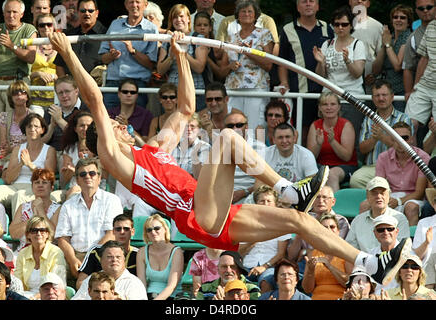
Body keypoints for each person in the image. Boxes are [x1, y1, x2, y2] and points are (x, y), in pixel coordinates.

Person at [51, 30, 414, 288]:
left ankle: (367, 264)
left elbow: (188, 107)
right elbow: (96, 100)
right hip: (198, 215)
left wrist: (179, 54)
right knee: (225, 137)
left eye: (120, 122)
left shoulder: (154, 149)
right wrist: (67, 52)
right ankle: (287, 188)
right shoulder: (115, 160)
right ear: (106, 136)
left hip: (217, 214)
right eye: (115, 124)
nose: (120, 123)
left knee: (298, 220)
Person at [55, 157, 123, 283]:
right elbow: (62, 238)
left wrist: (90, 259)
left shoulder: (112, 200)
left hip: (102, 254)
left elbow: (111, 233)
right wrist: (72, 260)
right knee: (54, 275)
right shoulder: (68, 205)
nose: (88, 177)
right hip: (75, 255)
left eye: (92, 173)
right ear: (77, 180)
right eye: (83, 174)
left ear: (99, 177)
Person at [277, 0, 334, 145]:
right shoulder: (287, 29)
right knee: (303, 130)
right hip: (300, 90)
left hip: (325, 90)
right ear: (297, 7)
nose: (308, 4)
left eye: (312, 1)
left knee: (327, 129)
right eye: (303, 1)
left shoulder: (328, 28)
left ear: (318, 6)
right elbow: (282, 61)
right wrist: (284, 82)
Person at [0, 0, 37, 149]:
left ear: (21, 14)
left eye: (15, 12)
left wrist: (11, 45)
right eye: (8, 12)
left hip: (17, 82)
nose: (11, 15)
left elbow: (31, 57)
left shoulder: (29, 29)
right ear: (3, 13)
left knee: (15, 123)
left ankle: (14, 159)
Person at [313, 5, 366, 140]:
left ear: (351, 25)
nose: (340, 28)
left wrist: (347, 61)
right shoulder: (327, 44)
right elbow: (320, 76)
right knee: (327, 138)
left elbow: (358, 73)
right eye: (336, 24)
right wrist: (320, 62)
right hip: (329, 99)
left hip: (351, 98)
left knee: (349, 139)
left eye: (344, 24)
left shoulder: (358, 44)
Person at [0, 113, 57, 217]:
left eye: (36, 126)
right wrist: (21, 164)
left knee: (19, 196)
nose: (32, 129)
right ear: (24, 129)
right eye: (29, 126)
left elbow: (49, 178)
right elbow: (8, 179)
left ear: (42, 130)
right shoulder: (18, 149)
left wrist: (30, 164)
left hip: (35, 187)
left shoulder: (49, 150)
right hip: (15, 186)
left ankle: (19, 231)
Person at [220, 0, 274, 129]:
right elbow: (222, 69)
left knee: (255, 128)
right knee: (233, 126)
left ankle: (256, 149)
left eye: (250, 11)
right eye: (243, 11)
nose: (246, 14)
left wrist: (248, 52)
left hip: (256, 87)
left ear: (256, 15)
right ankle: (233, 149)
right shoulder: (231, 38)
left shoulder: (264, 34)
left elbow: (269, 65)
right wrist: (229, 67)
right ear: (238, 15)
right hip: (233, 88)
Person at [350, 79, 413, 189]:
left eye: (384, 95)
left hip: (398, 167)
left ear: (392, 96)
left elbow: (406, 148)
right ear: (373, 99)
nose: (381, 98)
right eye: (377, 95)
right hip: (372, 167)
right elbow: (362, 149)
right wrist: (374, 139)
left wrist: (382, 137)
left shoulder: (403, 118)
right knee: (355, 180)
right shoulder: (368, 119)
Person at [99, 0, 158, 110]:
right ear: (126, 5)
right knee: (108, 122)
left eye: (137, 2)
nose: (134, 5)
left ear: (145, 5)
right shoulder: (114, 24)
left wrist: (132, 51)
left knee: (135, 124)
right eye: (131, 2)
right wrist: (111, 55)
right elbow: (103, 58)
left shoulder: (151, 29)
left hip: (137, 84)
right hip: (113, 83)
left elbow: (151, 64)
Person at [372, 122, 429, 225]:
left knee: (411, 207)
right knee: (366, 205)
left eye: (405, 137)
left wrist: (398, 201)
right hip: (391, 195)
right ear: (391, 140)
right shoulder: (383, 157)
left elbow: (419, 193)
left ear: (411, 139)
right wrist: (386, 199)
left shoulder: (422, 157)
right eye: (396, 137)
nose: (401, 141)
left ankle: (411, 239)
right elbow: (379, 186)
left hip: (413, 198)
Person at [157, 4, 208, 112]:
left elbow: (199, 67)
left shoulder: (198, 38)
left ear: (189, 19)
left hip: (195, 91)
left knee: (193, 127)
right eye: (175, 17)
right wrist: (171, 56)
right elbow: (160, 70)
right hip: (172, 94)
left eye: (181, 16)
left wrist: (182, 52)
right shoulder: (167, 40)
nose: (178, 20)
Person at [239, 185, 290, 293]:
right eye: (262, 201)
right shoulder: (246, 225)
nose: (266, 204)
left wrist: (264, 267)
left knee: (265, 281)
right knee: (236, 283)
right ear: (256, 204)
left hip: (270, 266)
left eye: (269, 201)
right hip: (247, 265)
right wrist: (254, 239)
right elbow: (240, 251)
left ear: (275, 205)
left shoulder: (282, 225)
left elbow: (281, 254)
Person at [307, 92, 358, 192]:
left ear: (339, 107)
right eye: (325, 104)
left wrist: (332, 141)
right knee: (310, 172)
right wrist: (318, 144)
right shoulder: (315, 125)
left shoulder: (346, 125)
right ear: (320, 108)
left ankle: (333, 206)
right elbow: (310, 158)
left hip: (345, 166)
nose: (329, 107)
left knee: (331, 174)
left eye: (332, 104)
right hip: (321, 165)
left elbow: (347, 157)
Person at [346, 176, 410, 253]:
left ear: (389, 196)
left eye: (382, 193)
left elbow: (403, 249)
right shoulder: (358, 221)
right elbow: (350, 249)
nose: (379, 196)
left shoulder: (399, 218)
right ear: (367, 196)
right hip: (363, 263)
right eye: (374, 193)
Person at [76, 213, 137, 290]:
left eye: (126, 229)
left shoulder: (138, 255)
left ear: (132, 231)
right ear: (113, 231)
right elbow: (80, 282)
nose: (122, 232)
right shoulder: (96, 252)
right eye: (118, 229)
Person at [0, 81, 36, 178]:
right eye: (15, 93)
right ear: (11, 97)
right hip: (7, 153)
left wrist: (12, 149)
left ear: (27, 96)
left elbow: (32, 142)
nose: (19, 94)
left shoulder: (33, 116)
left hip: (24, 154)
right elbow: (3, 142)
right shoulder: (4, 116)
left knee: (6, 171)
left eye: (22, 91)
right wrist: (6, 148)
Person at [72, 240, 147, 300]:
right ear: (101, 260)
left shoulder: (133, 283)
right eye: (109, 257)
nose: (114, 260)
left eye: (118, 257)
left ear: (124, 260)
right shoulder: (90, 280)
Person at [372, 4, 413, 112]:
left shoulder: (409, 37)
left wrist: (387, 45)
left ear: (408, 22)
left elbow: (397, 66)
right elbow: (375, 70)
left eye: (402, 17)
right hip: (385, 89)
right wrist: (383, 45)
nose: (398, 20)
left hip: (401, 91)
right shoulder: (390, 38)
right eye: (395, 17)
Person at [14, 216, 66, 299]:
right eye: (34, 230)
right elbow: (17, 283)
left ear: (47, 234)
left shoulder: (56, 252)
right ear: (28, 234)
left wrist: (35, 297)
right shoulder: (23, 253)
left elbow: (57, 284)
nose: (38, 233)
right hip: (26, 296)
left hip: (50, 295)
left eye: (42, 230)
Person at [9, 169, 61, 252]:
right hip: (24, 250)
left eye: (44, 182)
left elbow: (53, 236)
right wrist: (32, 219)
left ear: (51, 187)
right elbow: (13, 234)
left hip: (48, 251)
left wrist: (41, 212)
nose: (40, 185)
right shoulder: (23, 207)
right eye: (37, 182)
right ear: (32, 187)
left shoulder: (58, 208)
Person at [302, 214, 352, 300]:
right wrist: (310, 271)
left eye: (332, 227)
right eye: (324, 227)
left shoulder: (347, 252)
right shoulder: (312, 254)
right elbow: (307, 289)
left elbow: (350, 284)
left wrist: (330, 266)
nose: (328, 230)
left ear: (338, 231)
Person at [54, 0, 107, 78]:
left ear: (97, 13)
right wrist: (65, 83)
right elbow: (59, 64)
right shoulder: (69, 35)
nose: (87, 13)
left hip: (97, 87)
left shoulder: (106, 35)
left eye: (90, 11)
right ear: (78, 13)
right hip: (71, 87)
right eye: (83, 11)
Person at [136, 214, 183, 300]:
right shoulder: (142, 252)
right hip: (149, 295)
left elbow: (171, 286)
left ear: (165, 229)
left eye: (157, 228)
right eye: (149, 230)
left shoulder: (176, 252)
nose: (153, 232)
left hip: (172, 296)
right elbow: (142, 284)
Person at [42, 75, 90, 159]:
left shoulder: (86, 110)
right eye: (60, 93)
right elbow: (42, 141)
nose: (64, 95)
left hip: (78, 153)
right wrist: (52, 126)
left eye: (67, 91)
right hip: (52, 153)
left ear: (76, 91)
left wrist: (59, 120)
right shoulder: (51, 111)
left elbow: (81, 136)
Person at [404, 18, 436, 141]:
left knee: (434, 132)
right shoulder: (432, 26)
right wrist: (415, 86)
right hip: (424, 85)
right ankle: (410, 160)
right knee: (408, 126)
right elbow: (424, 58)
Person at [402, 0, 436, 103]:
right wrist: (409, 93)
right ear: (417, 11)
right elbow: (408, 67)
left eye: (429, 7)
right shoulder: (413, 38)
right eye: (421, 8)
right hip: (424, 91)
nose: (425, 11)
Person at [349, 0, 383, 95]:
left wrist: (374, 75)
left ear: (368, 3)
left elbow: (381, 55)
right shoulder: (339, 25)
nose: (359, 1)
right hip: (346, 83)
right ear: (350, 1)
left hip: (370, 84)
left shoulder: (377, 26)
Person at [196, 250, 260, 300]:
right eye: (224, 266)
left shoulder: (252, 289)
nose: (228, 270)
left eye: (232, 266)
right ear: (218, 269)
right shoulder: (205, 288)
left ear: (240, 269)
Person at [59, 111, 95, 194]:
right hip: (75, 186)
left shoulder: (99, 147)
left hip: (95, 185)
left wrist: (78, 168)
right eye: (82, 125)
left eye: (89, 126)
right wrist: (71, 171)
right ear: (75, 128)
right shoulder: (69, 149)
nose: (85, 129)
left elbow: (105, 175)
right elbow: (66, 179)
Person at [30, 13, 58, 110]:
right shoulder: (32, 46)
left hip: (57, 97)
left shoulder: (60, 45)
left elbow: (67, 74)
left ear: (54, 26)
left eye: (49, 24)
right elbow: (25, 74)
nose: (46, 27)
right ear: (37, 28)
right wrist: (38, 74)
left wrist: (52, 76)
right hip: (34, 98)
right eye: (42, 25)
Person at [368, 215, 401, 294]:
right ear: (375, 233)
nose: (386, 232)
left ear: (396, 231)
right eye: (380, 230)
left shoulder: (408, 253)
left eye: (390, 229)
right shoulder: (370, 255)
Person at [172, 113, 211, 179]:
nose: (189, 129)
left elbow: (200, 177)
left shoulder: (205, 147)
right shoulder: (173, 146)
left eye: (192, 126)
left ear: (199, 129)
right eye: (185, 126)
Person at [412, 187, 436, 265]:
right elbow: (416, 257)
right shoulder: (424, 223)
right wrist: (426, 243)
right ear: (433, 205)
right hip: (428, 270)